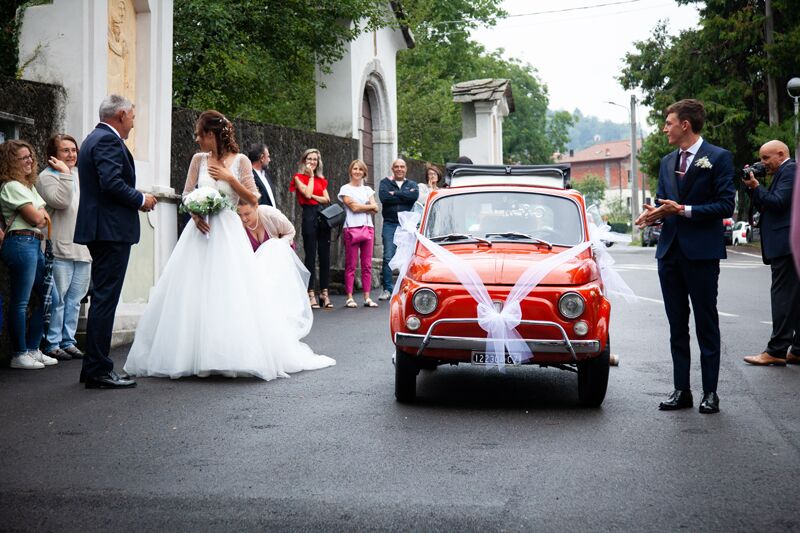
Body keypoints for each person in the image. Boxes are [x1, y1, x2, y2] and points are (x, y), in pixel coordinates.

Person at [123, 111, 334, 379]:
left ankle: (228, 352)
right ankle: (189, 354)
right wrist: (195, 211)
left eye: (200, 134)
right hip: (199, 233)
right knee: (193, 290)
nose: (197, 139)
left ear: (212, 135)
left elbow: (254, 198)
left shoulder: (241, 161)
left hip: (228, 233)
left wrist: (229, 178)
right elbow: (186, 193)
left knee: (229, 291)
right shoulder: (198, 160)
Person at [635, 98, 735, 414]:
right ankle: (682, 391)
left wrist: (685, 210)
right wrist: (654, 215)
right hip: (669, 253)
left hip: (702, 254)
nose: (665, 128)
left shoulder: (718, 158)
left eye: (669, 123)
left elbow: (725, 206)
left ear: (685, 125)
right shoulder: (667, 162)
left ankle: (710, 393)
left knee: (706, 323)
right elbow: (667, 204)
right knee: (676, 325)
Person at [75, 94, 157, 389]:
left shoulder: (92, 139)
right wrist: (141, 199)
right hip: (110, 230)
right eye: (132, 117)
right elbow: (111, 183)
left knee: (102, 298)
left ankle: (92, 367)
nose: (133, 123)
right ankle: (99, 369)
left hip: (101, 228)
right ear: (121, 114)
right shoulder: (108, 141)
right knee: (105, 300)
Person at [741, 140, 798, 366]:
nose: (763, 164)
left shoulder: (791, 170)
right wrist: (752, 186)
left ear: (781, 154)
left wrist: (756, 187)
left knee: (782, 298)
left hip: (786, 246)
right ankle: (798, 349)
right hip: (787, 246)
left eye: (766, 158)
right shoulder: (785, 172)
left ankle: (776, 350)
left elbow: (777, 203)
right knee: (794, 299)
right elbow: (765, 205)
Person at [0, 140, 56, 370]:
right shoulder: (11, 186)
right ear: (10, 162)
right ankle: (19, 353)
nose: (30, 161)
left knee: (48, 296)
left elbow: (45, 217)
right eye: (23, 158)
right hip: (21, 242)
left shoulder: (28, 187)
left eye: (30, 156)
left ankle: (33, 348)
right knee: (22, 300)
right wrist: (40, 216)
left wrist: (40, 216)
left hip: (33, 242)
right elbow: (37, 218)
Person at [35, 134, 92, 361]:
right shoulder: (46, 177)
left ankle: (69, 341)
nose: (71, 154)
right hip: (60, 247)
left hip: (83, 248)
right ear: (53, 155)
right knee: (57, 300)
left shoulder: (80, 175)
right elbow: (62, 202)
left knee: (75, 299)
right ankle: (53, 343)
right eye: (65, 150)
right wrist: (67, 175)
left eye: (73, 150)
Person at [290, 148, 333, 309]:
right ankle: (310, 293)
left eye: (315, 159)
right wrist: (312, 178)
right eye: (310, 159)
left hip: (322, 217)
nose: (312, 162)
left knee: (325, 256)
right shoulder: (298, 177)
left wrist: (316, 193)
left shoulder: (322, 180)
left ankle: (324, 292)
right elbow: (307, 195)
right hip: (308, 216)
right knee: (310, 255)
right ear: (304, 161)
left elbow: (327, 199)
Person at [338, 159, 379, 308]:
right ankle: (349, 297)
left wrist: (363, 206)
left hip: (368, 227)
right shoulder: (345, 189)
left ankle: (367, 297)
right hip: (351, 228)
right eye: (355, 169)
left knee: (367, 264)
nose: (357, 172)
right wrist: (368, 206)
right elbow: (353, 208)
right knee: (351, 264)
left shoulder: (368, 190)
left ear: (364, 173)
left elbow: (376, 209)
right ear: (351, 171)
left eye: (360, 169)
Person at [378, 158, 418, 300]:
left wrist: (395, 194)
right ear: (392, 169)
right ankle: (387, 289)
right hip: (390, 224)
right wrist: (403, 196)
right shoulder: (385, 183)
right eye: (397, 167)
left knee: (408, 257)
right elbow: (384, 198)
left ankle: (406, 288)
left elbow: (414, 196)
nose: (399, 169)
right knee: (388, 256)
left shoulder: (412, 184)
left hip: (407, 225)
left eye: (402, 166)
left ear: (406, 169)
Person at [247, 143, 277, 208]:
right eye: (268, 157)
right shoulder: (250, 177)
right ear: (262, 158)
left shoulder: (266, 175)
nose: (269, 160)